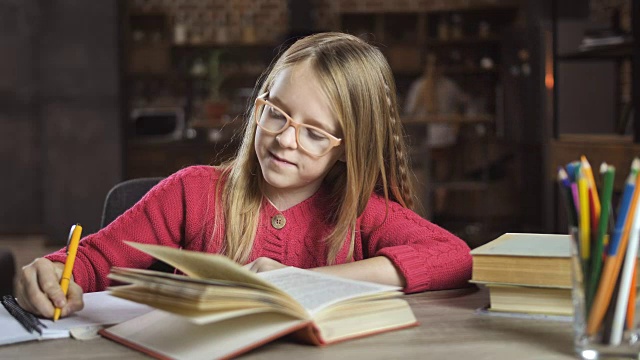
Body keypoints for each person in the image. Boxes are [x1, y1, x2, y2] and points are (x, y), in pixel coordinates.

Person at [16, 32, 472, 319]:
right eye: (275, 113)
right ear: (258, 107)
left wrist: (307, 280)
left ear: (346, 150)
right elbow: (92, 260)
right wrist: (53, 272)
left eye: (314, 133)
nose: (285, 139)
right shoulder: (192, 191)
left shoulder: (358, 213)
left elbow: (454, 256)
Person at [404, 53, 472, 213]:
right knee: (432, 176)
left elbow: (465, 105)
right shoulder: (421, 86)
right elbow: (409, 112)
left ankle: (438, 210)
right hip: (429, 139)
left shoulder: (448, 86)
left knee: (438, 176)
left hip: (439, 140)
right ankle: (434, 210)